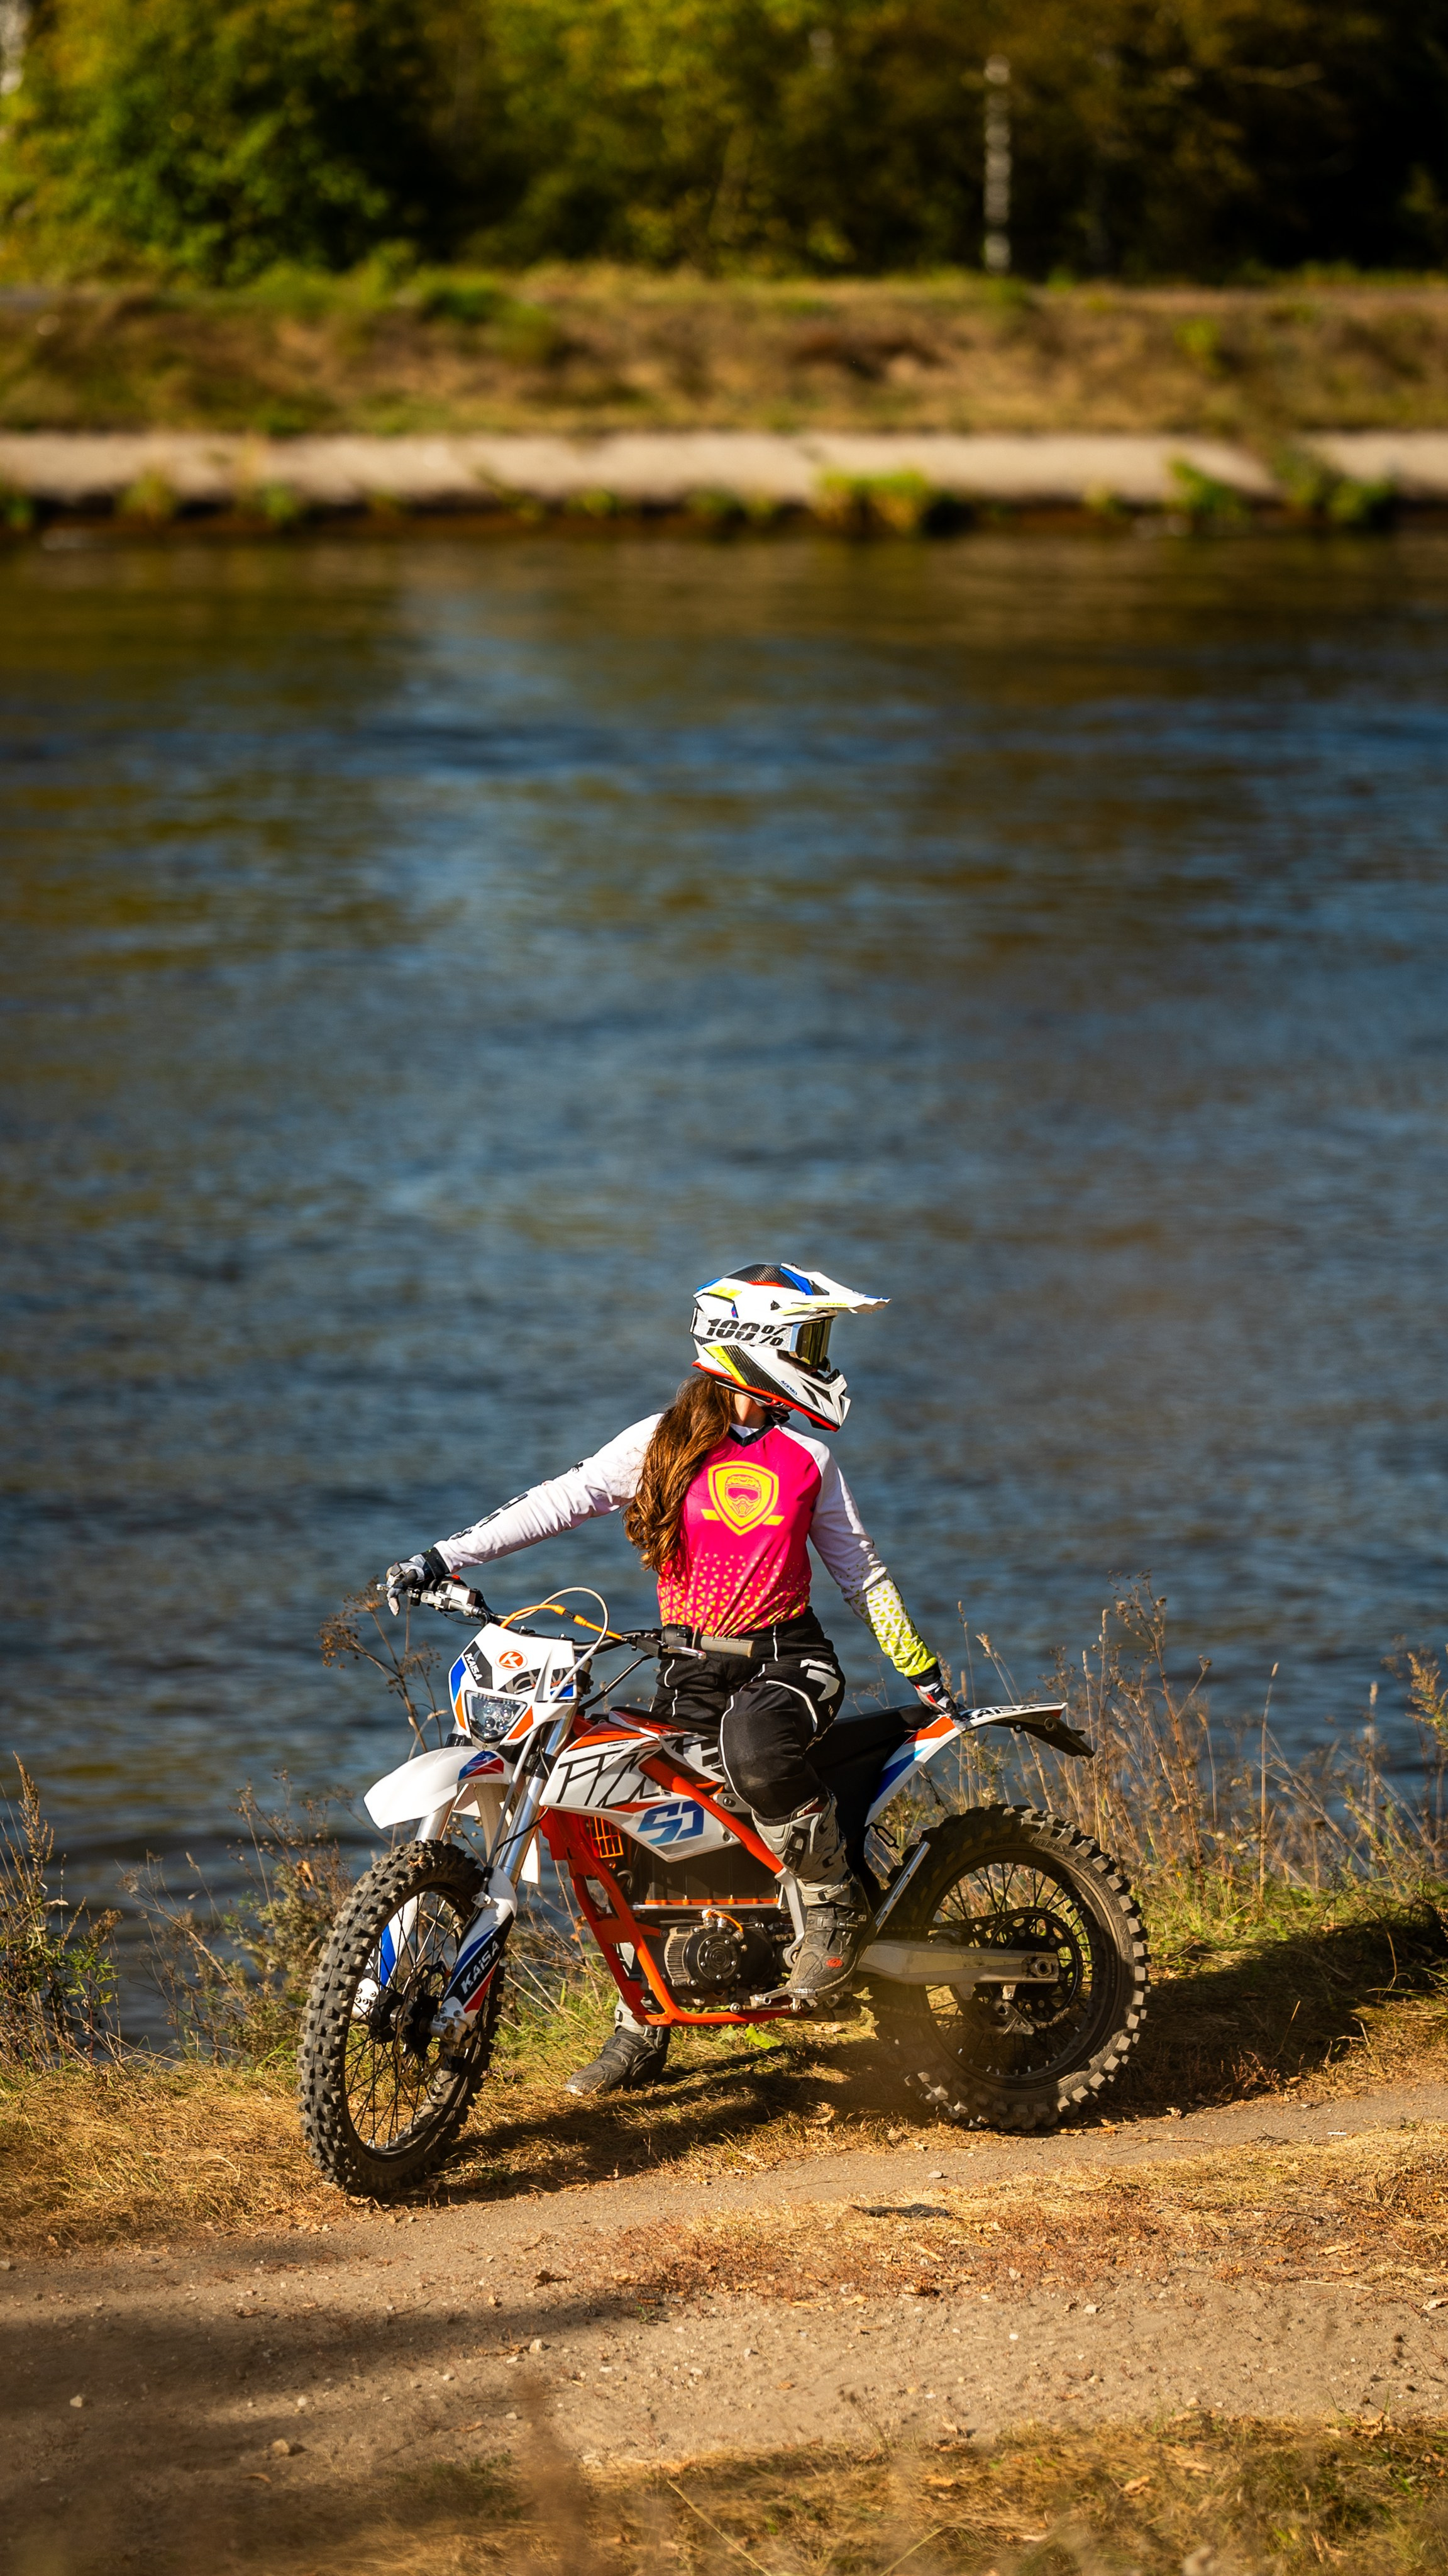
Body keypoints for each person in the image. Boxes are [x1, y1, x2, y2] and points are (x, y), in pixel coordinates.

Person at [384, 1263, 959, 2097]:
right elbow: (563, 1499)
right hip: (689, 1670)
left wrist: (923, 1672)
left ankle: (830, 1907)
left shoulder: (808, 1460)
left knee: (754, 1749)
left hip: (784, 1665)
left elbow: (861, 1578)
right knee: (625, 1819)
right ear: (756, 1346)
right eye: (810, 1340)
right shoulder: (659, 1442)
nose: (821, 1356)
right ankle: (645, 2018)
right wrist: (444, 1556)